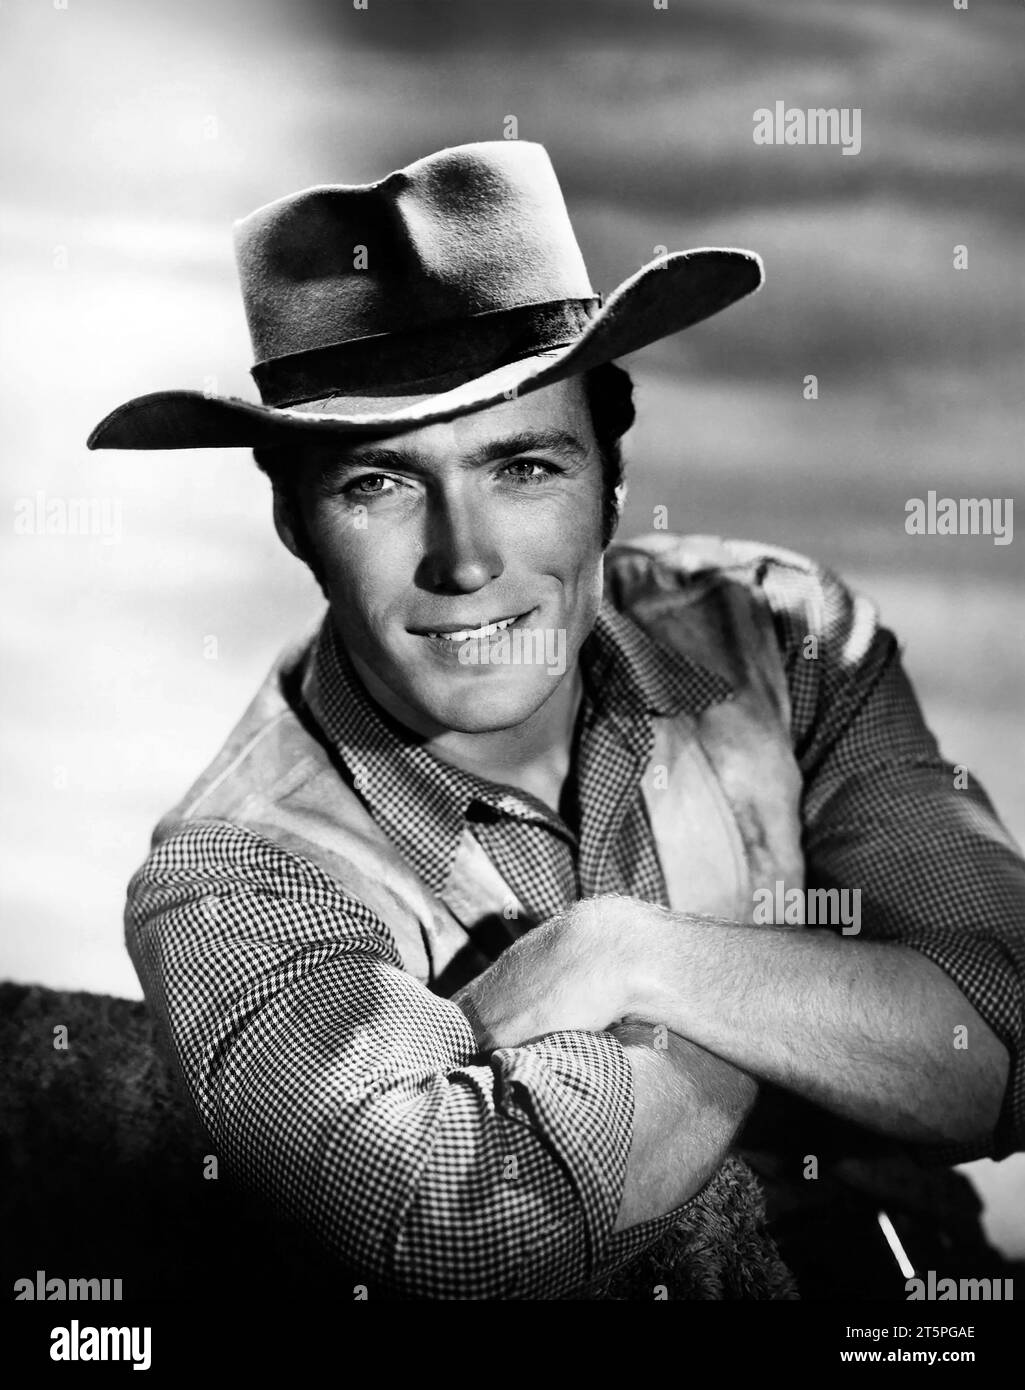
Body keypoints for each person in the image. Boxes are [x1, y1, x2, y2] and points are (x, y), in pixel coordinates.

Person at [88, 140, 1025, 1300]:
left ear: (611, 484)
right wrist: (817, 1007)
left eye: (523, 466)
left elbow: (1009, 1032)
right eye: (375, 483)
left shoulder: (783, 638)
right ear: (294, 524)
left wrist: (629, 953)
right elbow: (468, 1230)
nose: (466, 559)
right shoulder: (232, 873)